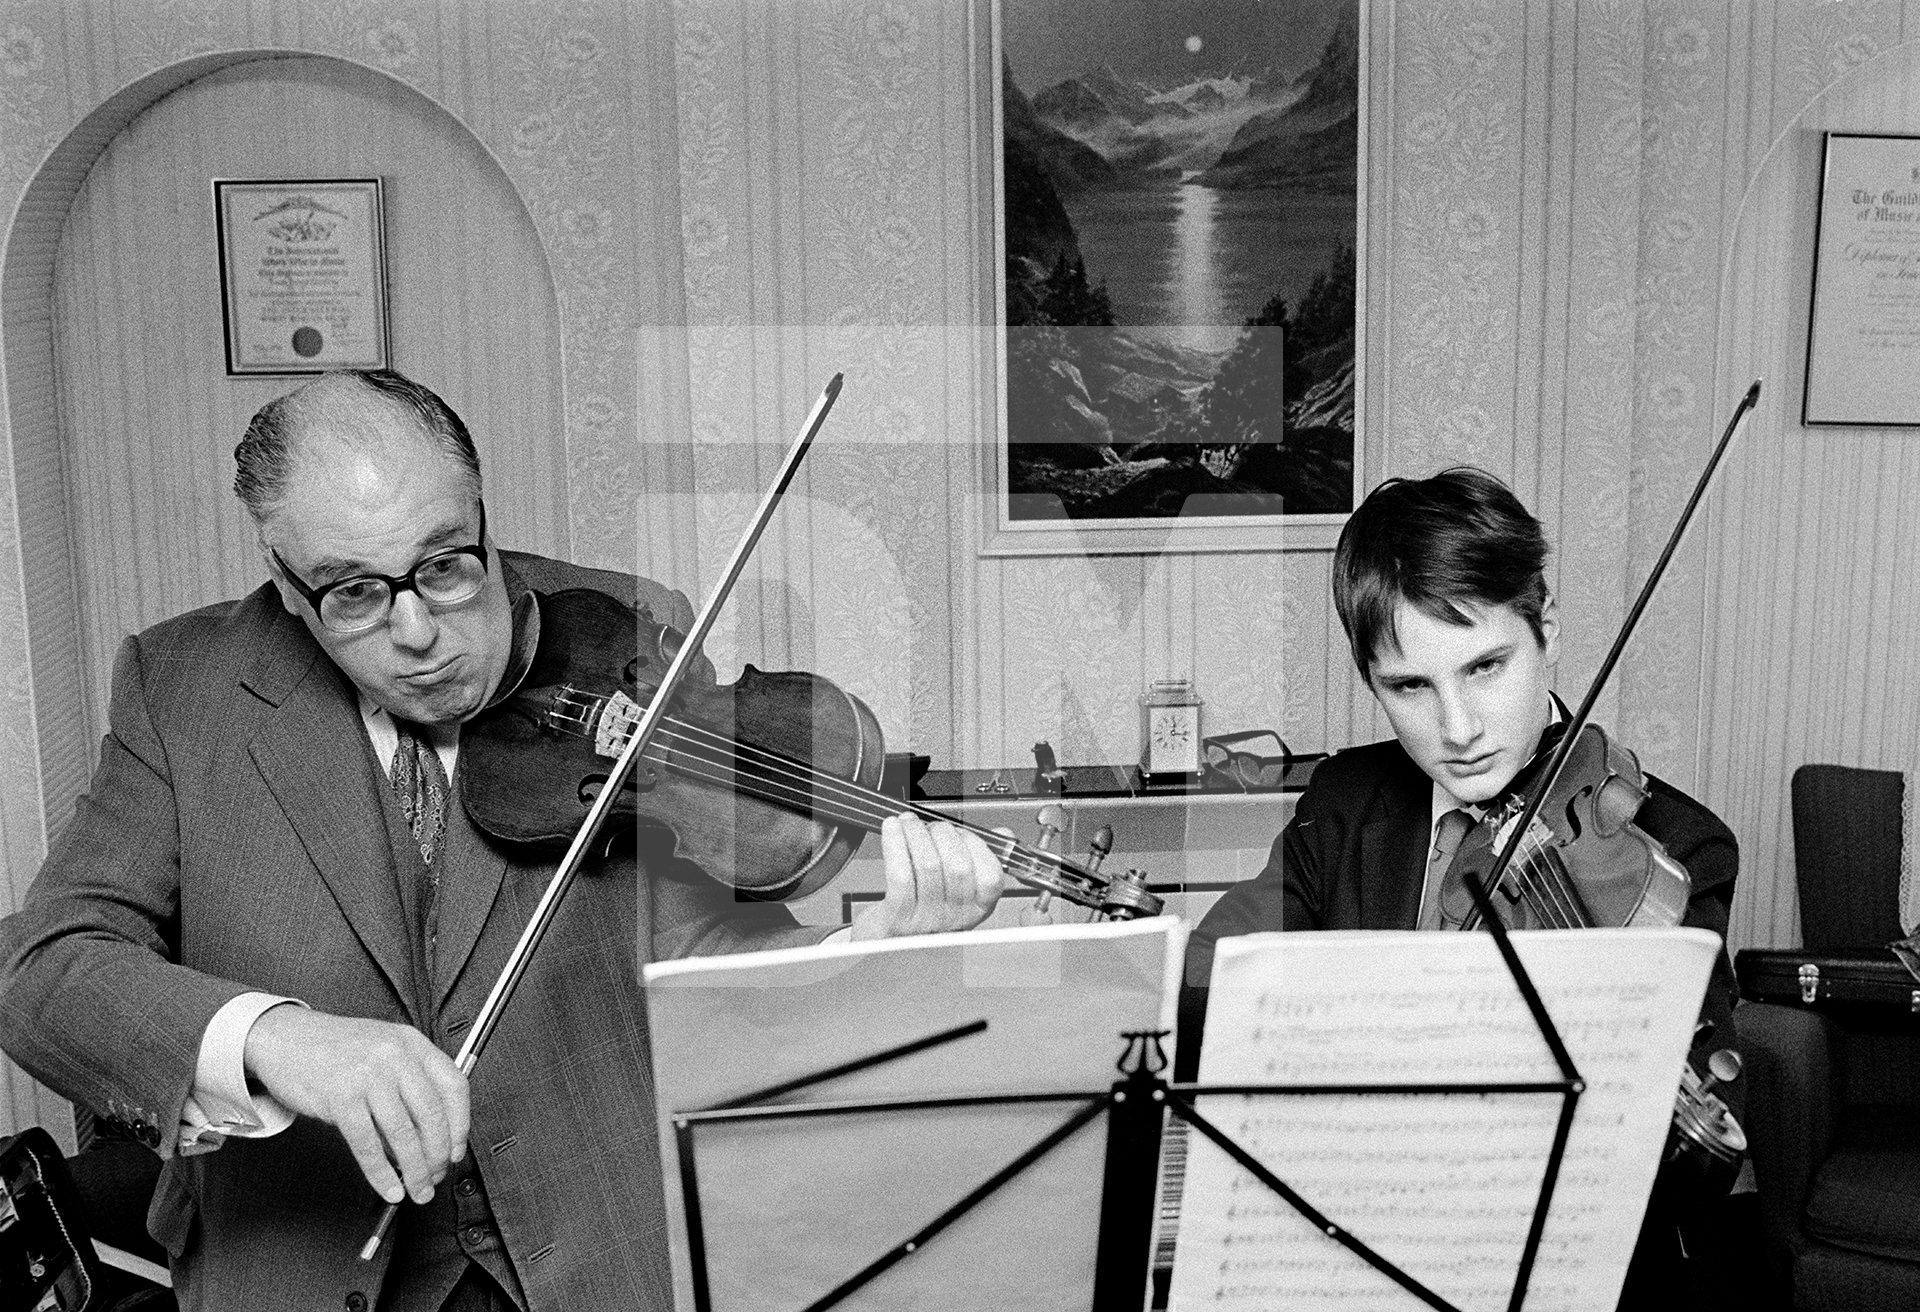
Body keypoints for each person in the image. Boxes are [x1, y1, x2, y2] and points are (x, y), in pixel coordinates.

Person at [0, 369, 1007, 1312]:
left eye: (446, 565)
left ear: (482, 513)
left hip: (597, 1261)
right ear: (284, 577)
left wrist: (867, 957)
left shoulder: (627, 632)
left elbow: (709, 968)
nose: (418, 633)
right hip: (302, 1270)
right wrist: (277, 1040)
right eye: (353, 591)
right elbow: (42, 970)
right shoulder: (184, 689)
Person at [1176, 466, 1740, 1304]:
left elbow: (1675, 1182)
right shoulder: (1343, 804)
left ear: (1545, 625)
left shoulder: (1679, 845)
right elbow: (1205, 989)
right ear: (1369, 678)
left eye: (1485, 667)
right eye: (1410, 686)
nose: (1459, 729)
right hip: (1354, 1260)